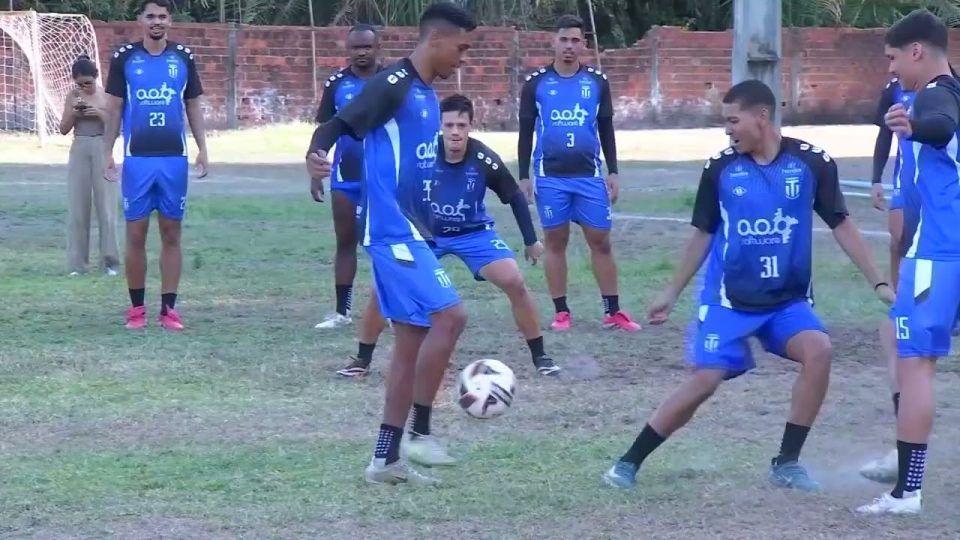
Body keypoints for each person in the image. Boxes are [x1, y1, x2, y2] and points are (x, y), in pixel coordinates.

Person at [601, 80, 894, 493]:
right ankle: (629, 461)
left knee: (819, 350)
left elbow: (842, 223)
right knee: (706, 379)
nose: (727, 130)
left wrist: (878, 281)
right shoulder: (720, 168)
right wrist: (671, 290)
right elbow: (703, 233)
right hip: (729, 302)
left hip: (786, 302)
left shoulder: (811, 163)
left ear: (762, 117)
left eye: (733, 120)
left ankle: (786, 463)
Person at [305, 2, 476, 485]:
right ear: (436, 39)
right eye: (461, 47)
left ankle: (385, 459)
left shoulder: (425, 92)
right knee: (452, 315)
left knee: (409, 344)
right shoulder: (394, 84)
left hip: (415, 232)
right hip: (392, 232)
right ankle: (421, 432)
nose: (463, 58)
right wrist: (315, 155)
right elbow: (336, 124)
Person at [335, 94, 561, 381]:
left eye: (461, 125)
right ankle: (362, 359)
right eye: (449, 125)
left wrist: (530, 240)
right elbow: (390, 187)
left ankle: (541, 356)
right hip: (424, 236)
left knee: (514, 281)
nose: (455, 132)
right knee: (382, 290)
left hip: (472, 233)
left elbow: (515, 196)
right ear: (440, 126)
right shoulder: (421, 155)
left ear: (470, 126)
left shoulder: (483, 158)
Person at [858, 9, 960, 515]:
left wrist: (914, 126)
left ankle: (907, 491)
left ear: (917, 51)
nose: (892, 69)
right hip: (943, 250)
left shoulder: (936, 95)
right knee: (894, 337)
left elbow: (939, 126)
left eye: (894, 58)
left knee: (915, 362)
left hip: (938, 254)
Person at [517, 14, 640, 333]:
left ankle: (612, 311)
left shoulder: (597, 82)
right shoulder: (536, 83)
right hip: (550, 176)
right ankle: (561, 313)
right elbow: (525, 131)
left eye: (575, 40)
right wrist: (524, 175)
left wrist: (613, 171)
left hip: (589, 175)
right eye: (563, 39)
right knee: (555, 241)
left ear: (583, 43)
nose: (569, 46)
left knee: (600, 241)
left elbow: (606, 128)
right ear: (553, 42)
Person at [102, 0, 208, 331]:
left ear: (170, 21)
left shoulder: (183, 57)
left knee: (171, 232)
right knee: (136, 233)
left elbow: (193, 106)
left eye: (162, 16)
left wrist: (203, 148)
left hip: (174, 159)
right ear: (141, 20)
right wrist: (108, 151)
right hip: (138, 159)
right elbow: (114, 108)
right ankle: (136, 310)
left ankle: (169, 310)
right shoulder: (124, 58)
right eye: (150, 16)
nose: (156, 21)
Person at [313, 24, 383, 330]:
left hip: (382, 177)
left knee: (385, 244)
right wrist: (316, 170)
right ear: (348, 50)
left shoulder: (391, 81)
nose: (361, 53)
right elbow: (324, 130)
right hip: (345, 176)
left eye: (367, 46)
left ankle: (392, 309)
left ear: (377, 47)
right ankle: (342, 312)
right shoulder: (337, 84)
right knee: (345, 242)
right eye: (356, 47)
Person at [60, 54, 120, 277]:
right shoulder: (73, 96)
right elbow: (63, 128)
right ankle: (77, 264)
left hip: (102, 145)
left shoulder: (106, 95)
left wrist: (99, 112)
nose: (84, 87)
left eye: (88, 83)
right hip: (80, 145)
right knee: (78, 206)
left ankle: (110, 262)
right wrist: (75, 113)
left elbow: (116, 126)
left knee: (106, 207)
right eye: (80, 84)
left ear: (96, 77)